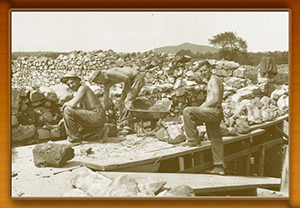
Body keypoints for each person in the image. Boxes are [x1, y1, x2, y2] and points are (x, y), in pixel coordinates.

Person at [182, 61, 225, 175]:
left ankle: (193, 140)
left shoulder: (214, 80)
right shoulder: (212, 81)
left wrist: (199, 109)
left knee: (187, 111)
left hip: (214, 110)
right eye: (201, 71)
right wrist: (200, 109)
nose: (202, 73)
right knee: (215, 138)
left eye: (205, 70)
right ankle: (219, 167)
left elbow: (215, 99)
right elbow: (208, 101)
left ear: (210, 69)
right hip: (215, 111)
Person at [90, 67, 145, 134]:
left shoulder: (109, 73)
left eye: (98, 79)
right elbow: (106, 101)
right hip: (128, 81)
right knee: (120, 103)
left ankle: (128, 127)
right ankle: (122, 124)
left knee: (128, 100)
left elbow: (126, 78)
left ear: (101, 74)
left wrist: (127, 92)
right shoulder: (106, 84)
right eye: (96, 82)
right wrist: (102, 111)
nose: (99, 82)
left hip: (137, 77)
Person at [61, 71, 106, 143]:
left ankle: (75, 139)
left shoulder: (83, 88)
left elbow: (72, 105)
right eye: (68, 84)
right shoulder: (79, 92)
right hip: (94, 117)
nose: (70, 85)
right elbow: (77, 110)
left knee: (67, 110)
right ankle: (98, 132)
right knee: (79, 130)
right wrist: (64, 120)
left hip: (97, 115)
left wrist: (65, 104)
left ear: (78, 80)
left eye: (72, 83)